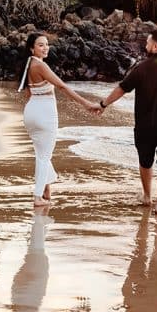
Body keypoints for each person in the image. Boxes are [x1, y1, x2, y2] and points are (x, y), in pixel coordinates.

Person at [97, 29, 157, 215]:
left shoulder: (141, 67)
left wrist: (103, 104)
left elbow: (121, 89)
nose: (146, 46)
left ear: (155, 46)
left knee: (145, 160)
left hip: (145, 124)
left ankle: (147, 196)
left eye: (148, 43)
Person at [19, 32, 101, 208]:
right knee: (44, 156)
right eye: (41, 45)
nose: (45, 47)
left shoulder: (28, 65)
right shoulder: (40, 65)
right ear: (32, 48)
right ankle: (37, 197)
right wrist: (86, 104)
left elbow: (28, 93)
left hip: (31, 112)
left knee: (41, 154)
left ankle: (46, 189)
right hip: (44, 113)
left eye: (47, 44)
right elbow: (62, 86)